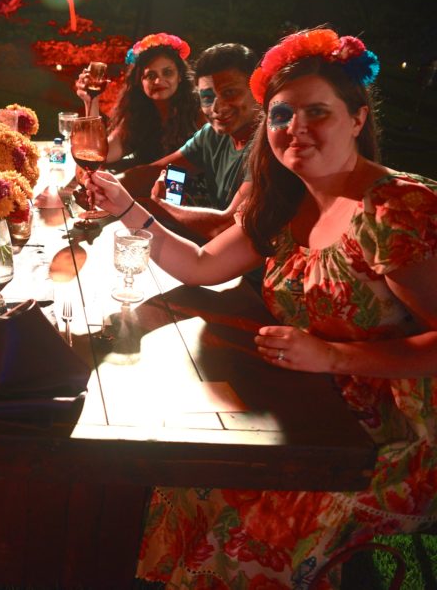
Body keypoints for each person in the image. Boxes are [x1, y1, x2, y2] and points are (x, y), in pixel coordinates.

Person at [83, 29, 437, 588]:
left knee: (249, 525)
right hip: (308, 404)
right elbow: (201, 265)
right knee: (188, 477)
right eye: (281, 115)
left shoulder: (395, 210)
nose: (295, 128)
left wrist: (330, 354)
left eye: (316, 112)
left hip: (399, 436)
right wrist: (126, 206)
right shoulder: (285, 199)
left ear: (357, 119)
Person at [115, 42, 261, 241]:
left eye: (229, 93)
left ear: (257, 89)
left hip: (253, 263)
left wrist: (161, 207)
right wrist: (105, 186)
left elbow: (226, 226)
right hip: (210, 247)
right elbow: (152, 171)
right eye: (207, 97)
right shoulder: (212, 133)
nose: (217, 107)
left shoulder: (268, 145)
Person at [75, 33, 203, 167]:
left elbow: (193, 164)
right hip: (146, 186)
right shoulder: (138, 116)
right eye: (150, 75)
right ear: (140, 82)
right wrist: (91, 101)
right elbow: (99, 154)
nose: (158, 81)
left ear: (180, 76)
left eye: (167, 72)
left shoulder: (198, 112)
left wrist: (131, 177)